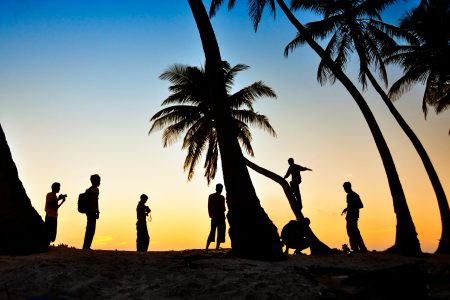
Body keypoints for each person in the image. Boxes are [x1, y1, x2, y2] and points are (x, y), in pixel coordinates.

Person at [341, 181, 367, 253]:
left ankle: (357, 248)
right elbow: (350, 205)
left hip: (353, 217)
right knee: (354, 232)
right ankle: (359, 248)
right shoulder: (349, 195)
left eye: (345, 188)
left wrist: (351, 208)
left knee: (353, 232)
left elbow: (360, 205)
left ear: (348, 187)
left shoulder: (354, 195)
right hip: (350, 217)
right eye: (344, 188)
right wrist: (346, 209)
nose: (344, 190)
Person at [82, 174, 101, 250]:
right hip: (92, 211)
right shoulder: (95, 189)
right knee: (91, 229)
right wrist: (97, 211)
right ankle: (87, 246)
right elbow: (95, 201)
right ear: (95, 181)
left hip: (88, 211)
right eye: (99, 181)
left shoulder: (88, 190)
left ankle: (86, 245)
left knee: (89, 228)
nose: (100, 182)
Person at [206, 183, 226, 250]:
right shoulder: (221, 197)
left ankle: (207, 248)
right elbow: (223, 208)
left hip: (215, 217)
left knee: (213, 232)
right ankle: (216, 248)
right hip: (219, 217)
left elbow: (209, 206)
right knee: (218, 233)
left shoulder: (211, 196)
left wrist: (211, 215)